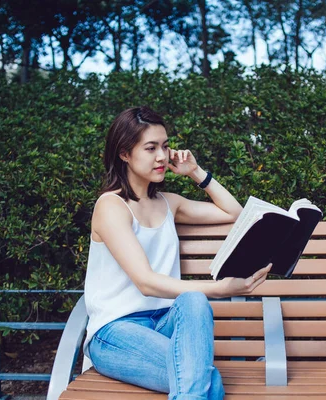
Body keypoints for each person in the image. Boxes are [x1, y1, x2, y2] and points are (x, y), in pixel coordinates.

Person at [83, 106, 271, 400]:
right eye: (150, 148)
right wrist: (220, 289)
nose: (162, 156)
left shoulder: (170, 203)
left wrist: (196, 172)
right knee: (209, 382)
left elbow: (235, 212)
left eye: (165, 146)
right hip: (115, 332)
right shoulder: (111, 206)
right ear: (124, 154)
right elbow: (145, 282)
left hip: (166, 325)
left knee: (194, 301)